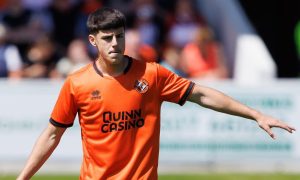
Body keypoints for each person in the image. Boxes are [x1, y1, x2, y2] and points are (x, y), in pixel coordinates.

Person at [17, 7, 296, 180]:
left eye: (120, 36)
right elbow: (53, 133)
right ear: (93, 41)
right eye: (107, 38)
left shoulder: (152, 74)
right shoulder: (77, 83)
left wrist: (255, 114)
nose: (115, 43)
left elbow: (202, 95)